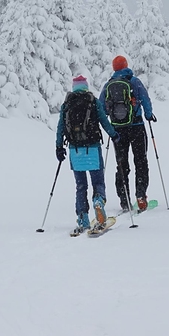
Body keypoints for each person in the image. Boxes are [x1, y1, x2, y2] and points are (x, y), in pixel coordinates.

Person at [56, 75, 118, 235]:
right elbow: (104, 121)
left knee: (81, 185)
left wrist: (58, 147)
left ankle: (83, 217)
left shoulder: (67, 104)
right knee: (98, 182)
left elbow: (60, 127)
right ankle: (98, 200)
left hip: (75, 151)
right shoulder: (93, 102)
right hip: (93, 149)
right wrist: (114, 135)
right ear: (86, 86)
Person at [99, 55, 155, 213]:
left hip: (118, 130)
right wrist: (149, 115)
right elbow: (145, 99)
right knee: (141, 162)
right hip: (136, 126)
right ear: (126, 65)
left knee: (122, 165)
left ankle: (124, 200)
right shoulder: (134, 81)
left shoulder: (109, 85)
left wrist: (110, 123)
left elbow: (101, 107)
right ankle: (141, 196)